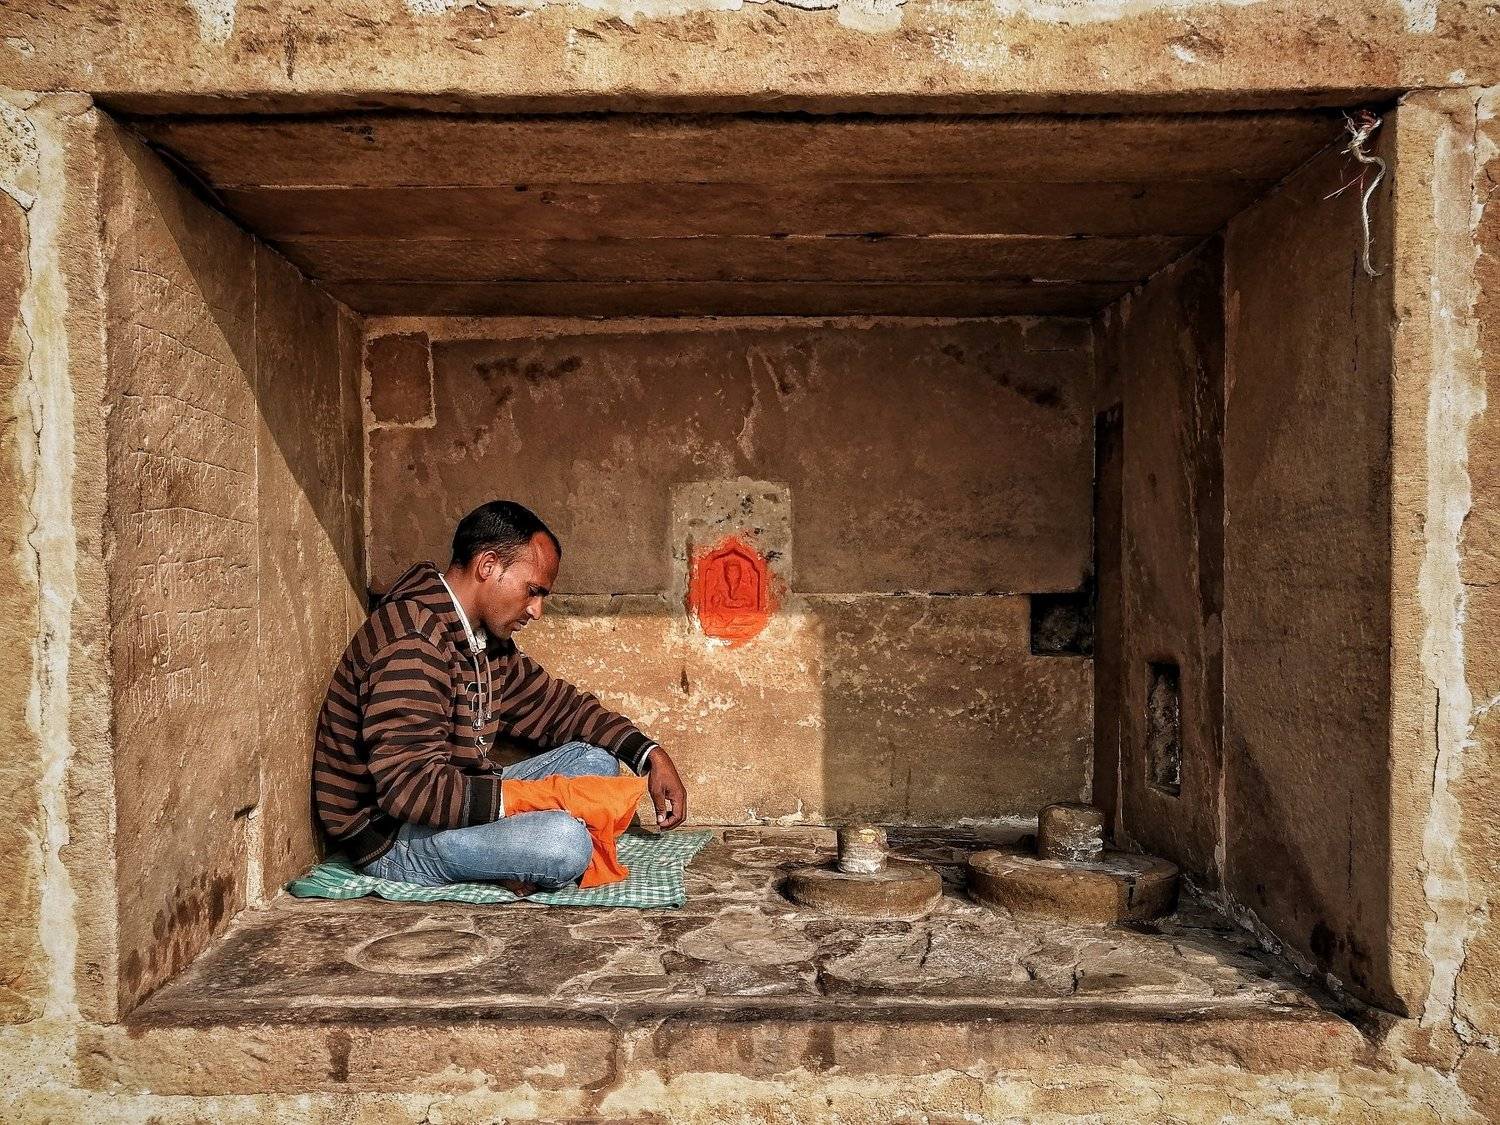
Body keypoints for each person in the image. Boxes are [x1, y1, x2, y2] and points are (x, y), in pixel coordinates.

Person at [311, 500, 688, 896]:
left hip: (456, 800)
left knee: (597, 761)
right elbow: (411, 790)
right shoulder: (413, 643)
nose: (537, 610)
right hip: (395, 835)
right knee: (564, 843)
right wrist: (540, 799)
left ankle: (511, 855)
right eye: (533, 591)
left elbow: (560, 708)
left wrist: (651, 756)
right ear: (488, 566)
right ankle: (515, 857)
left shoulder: (485, 642)